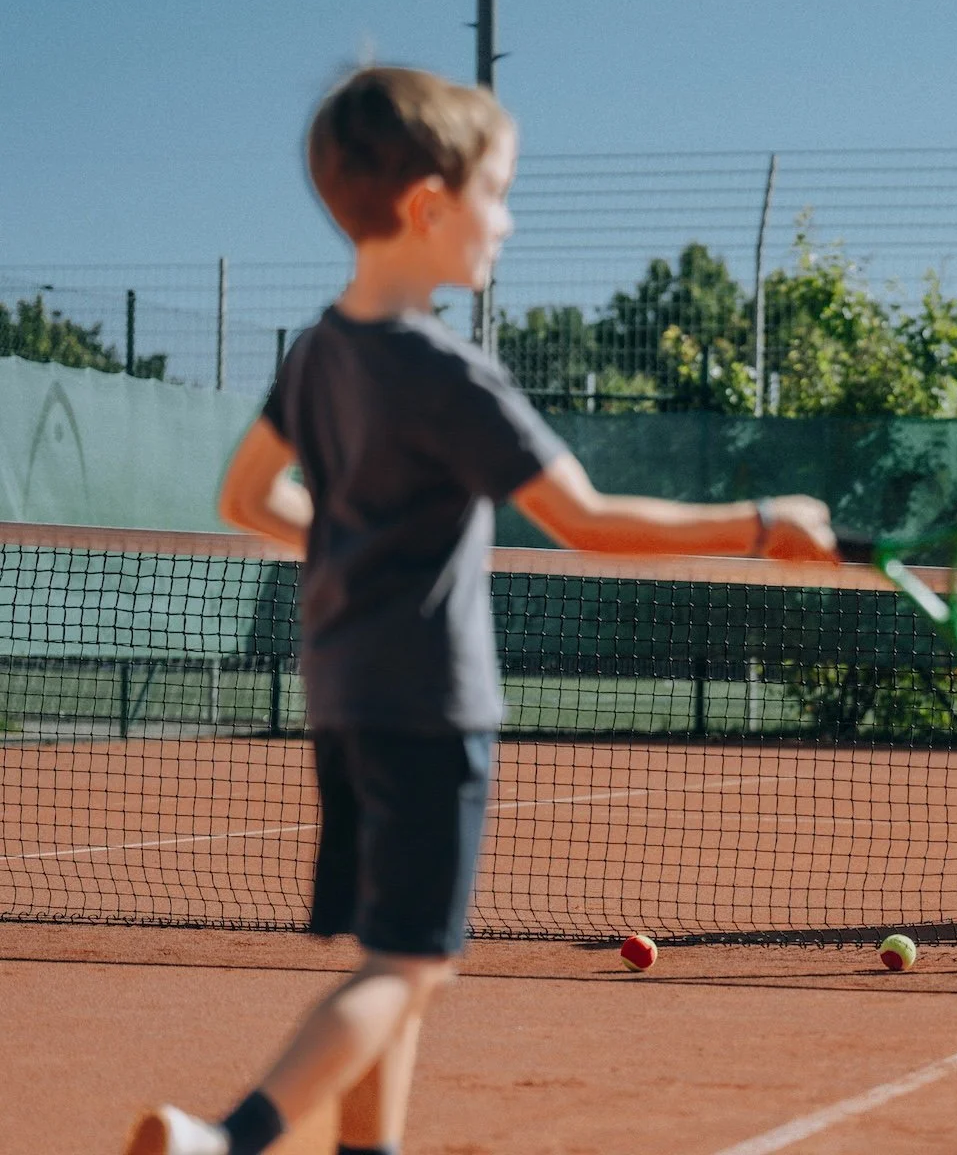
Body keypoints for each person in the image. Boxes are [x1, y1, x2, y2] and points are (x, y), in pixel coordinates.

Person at [124, 65, 837, 1155]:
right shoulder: (451, 376)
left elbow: (246, 497)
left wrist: (356, 543)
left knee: (391, 957)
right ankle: (229, 1139)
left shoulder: (317, 352)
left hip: (344, 696)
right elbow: (585, 519)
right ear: (428, 206)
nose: (508, 220)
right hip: (429, 703)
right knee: (413, 968)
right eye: (497, 194)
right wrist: (762, 522)